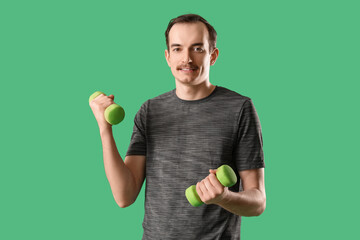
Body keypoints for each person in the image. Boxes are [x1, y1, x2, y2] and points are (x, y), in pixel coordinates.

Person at [90, 13, 266, 240]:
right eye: (177, 49)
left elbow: (258, 202)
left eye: (197, 48)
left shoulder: (240, 108)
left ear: (213, 56)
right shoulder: (149, 111)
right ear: (167, 57)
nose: (187, 59)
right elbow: (124, 196)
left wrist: (224, 197)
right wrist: (105, 129)